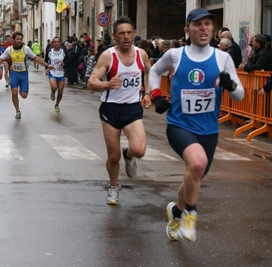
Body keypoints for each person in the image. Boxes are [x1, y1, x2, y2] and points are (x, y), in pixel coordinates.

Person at [149, 7, 244, 242]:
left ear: (212, 30)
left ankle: (176, 211)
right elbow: (154, 71)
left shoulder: (223, 58)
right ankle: (191, 214)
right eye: (197, 24)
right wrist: (156, 95)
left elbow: (239, 95)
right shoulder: (176, 55)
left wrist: (229, 84)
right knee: (197, 163)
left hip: (209, 129)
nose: (203, 28)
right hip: (180, 125)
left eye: (207, 24)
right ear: (187, 29)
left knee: (195, 173)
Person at [87, 16, 152, 205]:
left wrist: (147, 93)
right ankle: (114, 186)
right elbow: (91, 81)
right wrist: (107, 84)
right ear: (114, 36)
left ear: (133, 33)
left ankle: (129, 155)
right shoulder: (108, 55)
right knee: (113, 156)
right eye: (121, 33)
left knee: (139, 150)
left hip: (132, 108)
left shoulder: (142, 54)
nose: (126, 37)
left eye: (129, 32)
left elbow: (149, 72)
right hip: (111, 110)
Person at [0, 31, 54, 119]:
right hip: (14, 73)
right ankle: (17, 111)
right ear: (14, 40)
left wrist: (46, 65)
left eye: (20, 39)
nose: (19, 41)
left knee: (24, 95)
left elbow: (36, 58)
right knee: (14, 93)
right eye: (17, 39)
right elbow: (1, 58)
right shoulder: (9, 49)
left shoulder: (26, 49)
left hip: (23, 74)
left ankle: (20, 89)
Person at [45, 36, 66, 112]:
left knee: (60, 91)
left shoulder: (64, 52)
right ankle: (53, 91)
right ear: (53, 43)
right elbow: (46, 61)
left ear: (60, 43)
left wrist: (64, 64)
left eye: (58, 42)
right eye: (55, 42)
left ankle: (57, 104)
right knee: (54, 87)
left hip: (61, 73)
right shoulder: (50, 52)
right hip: (52, 73)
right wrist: (46, 69)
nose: (56, 43)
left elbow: (68, 62)